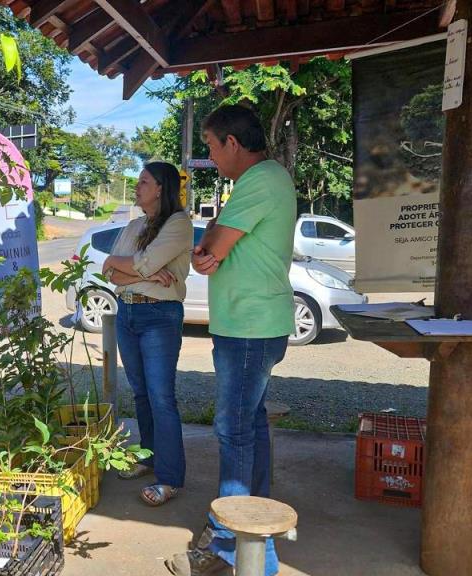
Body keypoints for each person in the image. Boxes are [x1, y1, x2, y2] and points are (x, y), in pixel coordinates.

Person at [165, 105, 297, 576]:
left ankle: (230, 550)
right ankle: (252, 537)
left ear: (232, 144)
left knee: (234, 431)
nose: (211, 156)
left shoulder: (260, 180)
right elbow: (210, 243)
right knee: (251, 426)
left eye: (211, 146)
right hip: (252, 325)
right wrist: (214, 242)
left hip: (249, 328)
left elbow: (213, 245)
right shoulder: (262, 181)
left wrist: (215, 243)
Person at [102, 161, 192, 507]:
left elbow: (135, 264)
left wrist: (140, 270)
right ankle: (150, 457)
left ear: (161, 188)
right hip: (127, 312)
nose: (137, 187)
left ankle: (170, 478)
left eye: (143, 182)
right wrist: (149, 275)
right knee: (140, 394)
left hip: (159, 316)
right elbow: (111, 270)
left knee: (161, 397)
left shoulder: (179, 223)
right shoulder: (134, 224)